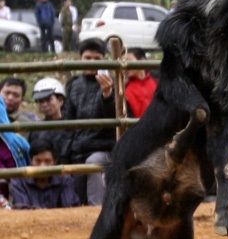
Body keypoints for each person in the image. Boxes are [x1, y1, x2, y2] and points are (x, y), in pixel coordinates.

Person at [63, 38, 116, 205]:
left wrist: (107, 94)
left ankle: (97, 214)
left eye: (97, 59)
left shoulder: (113, 82)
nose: (92, 62)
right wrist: (65, 151)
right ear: (80, 59)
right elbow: (67, 122)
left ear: (103, 61)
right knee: (79, 193)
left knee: (93, 164)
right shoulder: (74, 84)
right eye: (88, 58)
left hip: (103, 147)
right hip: (78, 148)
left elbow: (112, 116)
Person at [8, 138, 81, 209]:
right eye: (37, 161)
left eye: (48, 161)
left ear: (55, 162)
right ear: (30, 161)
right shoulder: (19, 181)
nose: (42, 166)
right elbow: (23, 212)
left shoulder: (64, 179)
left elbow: (71, 210)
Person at [27, 77, 70, 163]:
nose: (44, 104)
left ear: (60, 100)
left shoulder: (71, 126)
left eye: (48, 100)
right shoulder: (36, 129)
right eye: (41, 101)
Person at [123, 47, 158, 118]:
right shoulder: (123, 89)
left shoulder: (158, 79)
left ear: (142, 61)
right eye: (122, 63)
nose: (125, 67)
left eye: (128, 61)